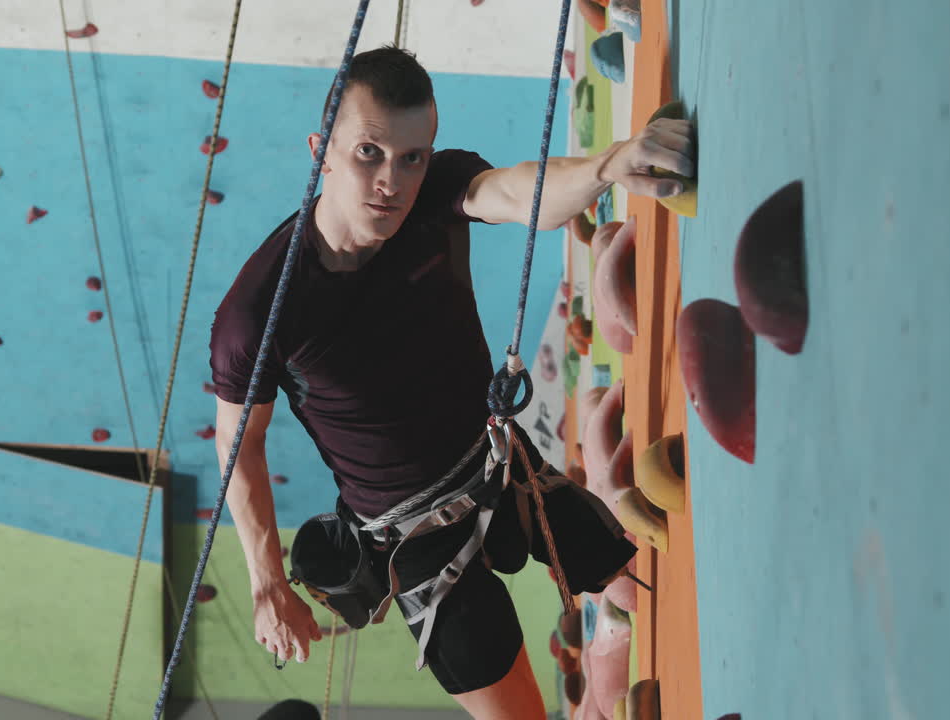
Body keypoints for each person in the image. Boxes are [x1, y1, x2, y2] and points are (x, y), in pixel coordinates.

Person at [209, 46, 693, 720]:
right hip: (414, 542)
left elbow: (519, 192)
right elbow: (239, 445)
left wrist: (610, 165)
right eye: (369, 153)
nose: (392, 182)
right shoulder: (261, 311)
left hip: (504, 467)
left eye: (412, 157)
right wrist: (266, 584)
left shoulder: (435, 195)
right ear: (322, 153)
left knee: (655, 587)